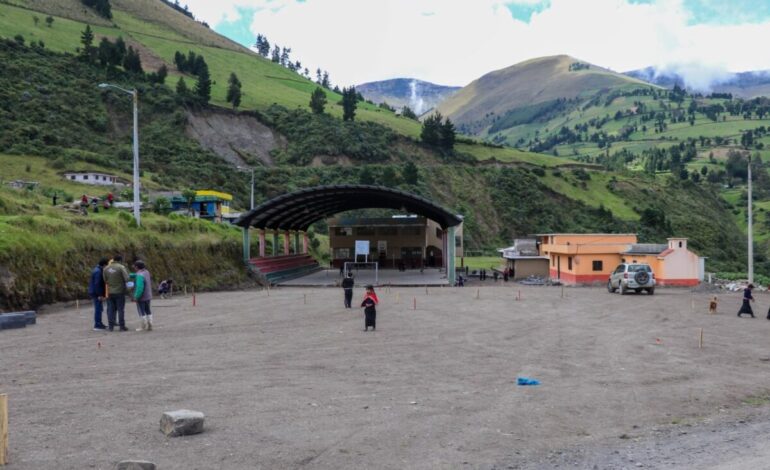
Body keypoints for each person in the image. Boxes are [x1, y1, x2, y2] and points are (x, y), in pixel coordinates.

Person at [103, 254, 130, 331]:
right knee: (120, 309)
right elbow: (127, 278)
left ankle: (111, 327)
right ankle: (122, 326)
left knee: (111, 309)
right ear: (120, 260)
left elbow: (105, 280)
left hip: (110, 292)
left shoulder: (106, 268)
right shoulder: (121, 267)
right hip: (119, 291)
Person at [130, 260, 153, 331]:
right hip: (148, 295)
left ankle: (143, 326)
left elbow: (139, 288)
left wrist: (136, 297)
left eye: (134, 266)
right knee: (148, 310)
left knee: (141, 311)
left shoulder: (139, 275)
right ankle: (150, 325)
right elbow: (136, 274)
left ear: (137, 267)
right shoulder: (146, 272)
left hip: (142, 297)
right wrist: (129, 275)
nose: (134, 268)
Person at [88, 257, 109, 330]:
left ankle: (99, 323)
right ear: (104, 265)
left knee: (99, 308)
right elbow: (97, 284)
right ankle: (97, 324)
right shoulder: (98, 272)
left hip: (95, 292)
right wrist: (100, 295)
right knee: (98, 308)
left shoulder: (97, 270)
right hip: (96, 293)